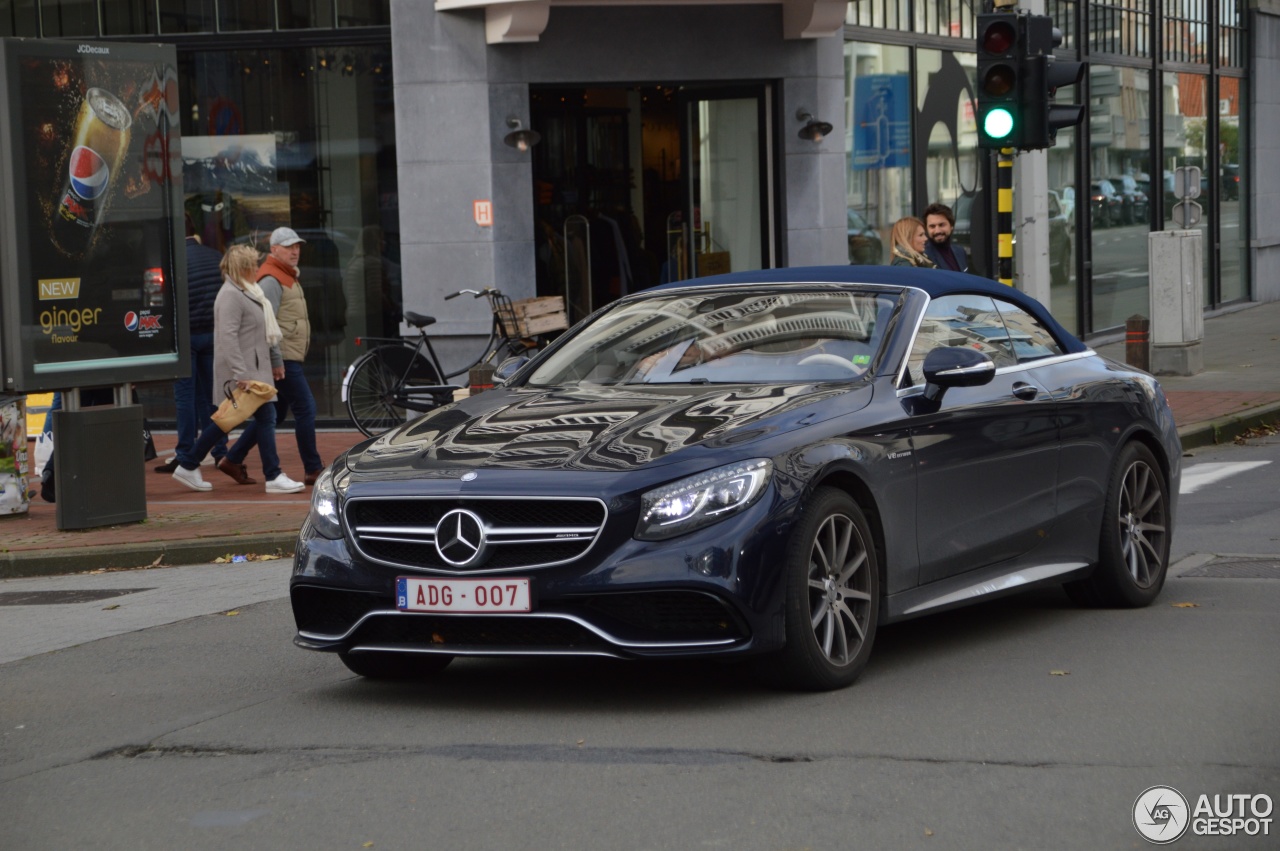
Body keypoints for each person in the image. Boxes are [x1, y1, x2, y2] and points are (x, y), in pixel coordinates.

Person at [171, 245, 305, 494]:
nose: (257, 268)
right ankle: (273, 475)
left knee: (230, 420)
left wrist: (274, 361)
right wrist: (240, 373)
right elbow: (228, 337)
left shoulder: (248, 291)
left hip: (254, 370)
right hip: (245, 372)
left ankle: (188, 463)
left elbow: (265, 330)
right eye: (253, 264)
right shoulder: (231, 295)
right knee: (262, 417)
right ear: (242, 268)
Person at [221, 227, 325, 486]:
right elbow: (265, 325)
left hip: (287, 357)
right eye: (289, 247)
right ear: (274, 249)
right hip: (284, 359)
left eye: (298, 246)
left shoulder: (288, 276)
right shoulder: (271, 279)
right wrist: (276, 360)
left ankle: (232, 459)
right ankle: (312, 468)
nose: (295, 251)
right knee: (305, 408)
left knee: (274, 415)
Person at [155, 215, 236, 479]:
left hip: (184, 338)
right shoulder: (215, 257)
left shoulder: (172, 261)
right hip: (212, 334)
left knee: (185, 397)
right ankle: (219, 448)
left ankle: (185, 452)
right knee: (211, 395)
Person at [921, 202, 970, 273]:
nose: (937, 231)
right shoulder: (924, 256)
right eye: (932, 226)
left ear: (951, 226)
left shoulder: (960, 251)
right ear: (926, 229)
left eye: (941, 225)